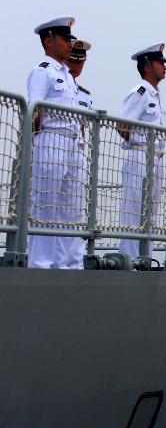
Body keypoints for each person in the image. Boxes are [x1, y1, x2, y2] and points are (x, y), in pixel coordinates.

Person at [25, 17, 79, 269]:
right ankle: (41, 263)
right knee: (45, 203)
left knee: (68, 206)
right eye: (64, 39)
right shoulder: (42, 71)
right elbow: (34, 109)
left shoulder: (67, 75)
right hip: (51, 139)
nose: (69, 43)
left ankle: (65, 262)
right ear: (48, 41)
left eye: (69, 39)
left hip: (70, 143)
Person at [117, 43, 166, 261]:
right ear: (147, 66)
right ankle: (129, 258)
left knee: (151, 213)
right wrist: (139, 144)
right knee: (134, 210)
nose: (164, 67)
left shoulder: (156, 95)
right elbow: (122, 125)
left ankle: (145, 258)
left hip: (155, 158)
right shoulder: (140, 93)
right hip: (140, 155)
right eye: (160, 63)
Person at [61, 39, 93, 269]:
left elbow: (83, 126)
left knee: (75, 209)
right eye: (73, 60)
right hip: (55, 144)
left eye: (80, 62)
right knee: (49, 206)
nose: (76, 66)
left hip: (78, 149)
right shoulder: (55, 80)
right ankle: (47, 260)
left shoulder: (84, 94)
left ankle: (73, 261)